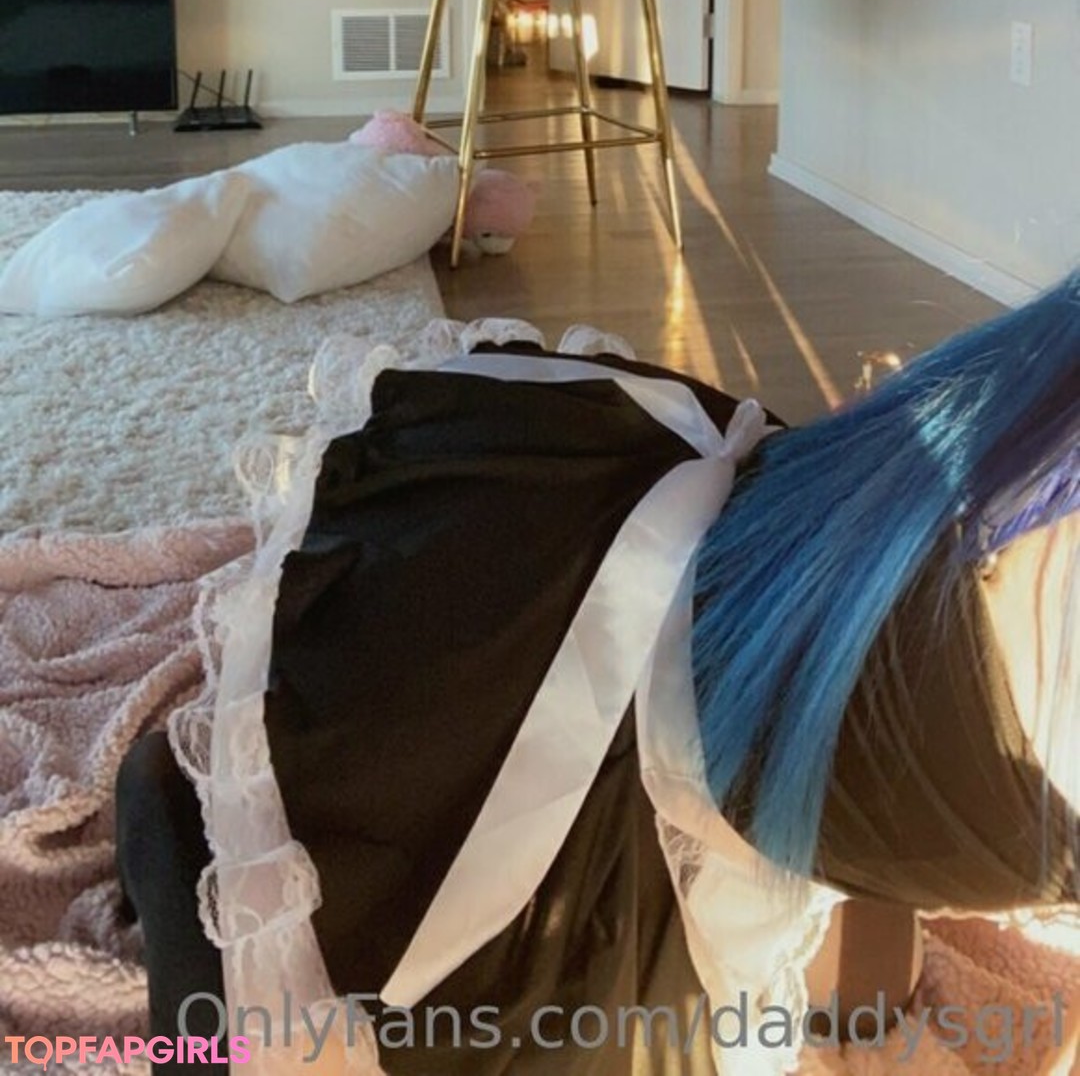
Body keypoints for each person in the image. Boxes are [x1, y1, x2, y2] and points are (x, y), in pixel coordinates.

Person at [116, 281, 1079, 1073]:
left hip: (812, 616)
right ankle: (180, 818)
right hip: (709, 631)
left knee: (863, 989)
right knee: (288, 923)